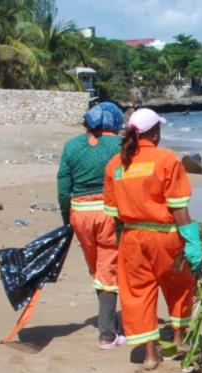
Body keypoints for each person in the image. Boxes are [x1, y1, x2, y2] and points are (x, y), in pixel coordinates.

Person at [103, 108, 202, 370]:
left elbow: (114, 214)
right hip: (166, 237)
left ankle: (149, 355)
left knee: (139, 293)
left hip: (132, 237)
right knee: (179, 286)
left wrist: (122, 242)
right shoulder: (166, 160)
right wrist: (191, 240)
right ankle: (179, 340)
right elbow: (179, 207)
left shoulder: (116, 164)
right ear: (155, 133)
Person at [57, 102, 126, 349]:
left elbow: (64, 187)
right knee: (111, 267)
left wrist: (67, 220)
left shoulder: (71, 146)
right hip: (109, 213)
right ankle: (108, 333)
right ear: (116, 122)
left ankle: (112, 324)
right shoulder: (120, 146)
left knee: (97, 268)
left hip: (80, 214)